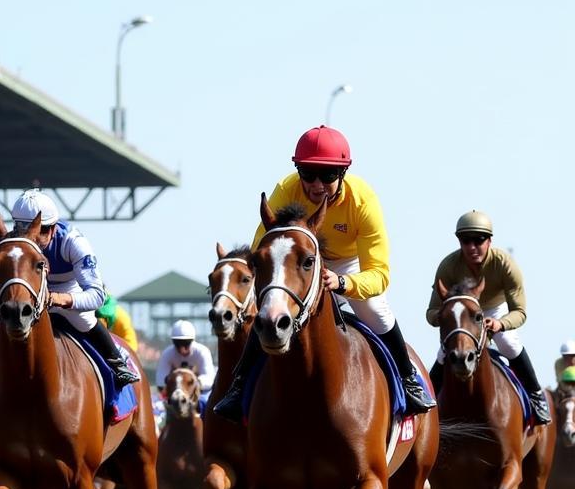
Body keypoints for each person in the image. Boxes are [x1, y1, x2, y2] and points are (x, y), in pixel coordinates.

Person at [214, 125, 436, 422]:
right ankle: (239, 386)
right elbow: (261, 247)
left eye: (328, 175)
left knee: (376, 311)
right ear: (298, 171)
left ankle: (408, 378)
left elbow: (380, 273)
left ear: (342, 174)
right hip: (298, 261)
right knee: (269, 312)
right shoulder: (286, 188)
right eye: (308, 173)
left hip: (346, 264)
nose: (317, 184)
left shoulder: (363, 201)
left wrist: (343, 282)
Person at [0, 189, 139, 388]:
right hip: (25, 293)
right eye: (24, 229)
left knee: (85, 320)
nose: (34, 237)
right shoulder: (9, 246)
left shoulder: (73, 242)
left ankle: (117, 364)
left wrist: (59, 299)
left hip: (65, 288)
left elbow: (97, 295)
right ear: (16, 227)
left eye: (41, 230)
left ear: (53, 228)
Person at [425, 211, 551, 426]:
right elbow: (431, 312)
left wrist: (500, 324)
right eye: (466, 241)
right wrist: (446, 317)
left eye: (479, 240)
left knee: (508, 343)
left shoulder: (505, 265)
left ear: (489, 240)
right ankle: (427, 403)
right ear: (459, 242)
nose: (472, 246)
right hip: (462, 314)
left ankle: (536, 395)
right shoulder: (447, 266)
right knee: (444, 352)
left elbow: (520, 311)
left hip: (494, 310)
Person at [155, 320, 215, 395]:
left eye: (186, 343)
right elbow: (161, 382)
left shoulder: (202, 352)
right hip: (175, 392)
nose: (182, 349)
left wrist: (191, 384)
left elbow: (209, 379)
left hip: (199, 392)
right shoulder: (167, 354)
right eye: (178, 344)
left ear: (192, 340)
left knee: (205, 401)